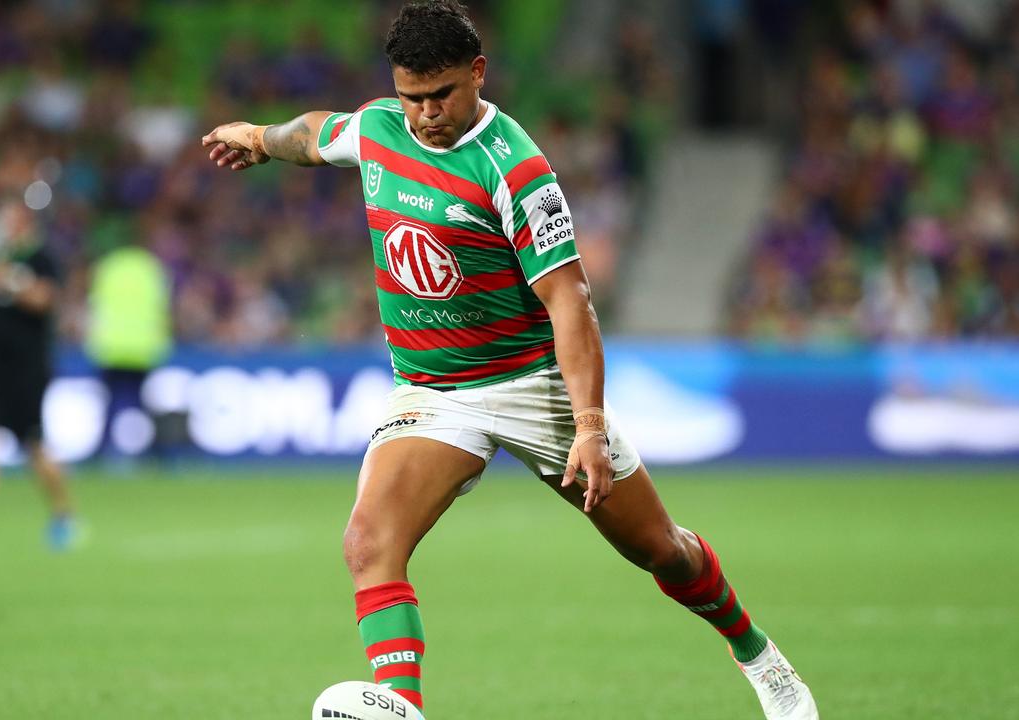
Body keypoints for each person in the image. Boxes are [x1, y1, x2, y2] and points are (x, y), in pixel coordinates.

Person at [200, 2, 818, 718]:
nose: (425, 114)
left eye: (441, 95)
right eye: (411, 97)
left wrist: (587, 425)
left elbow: (570, 304)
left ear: (477, 73)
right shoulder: (377, 128)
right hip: (434, 389)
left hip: (534, 386)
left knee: (660, 550)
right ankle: (402, 708)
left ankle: (758, 656)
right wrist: (256, 136)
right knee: (368, 542)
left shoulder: (516, 170)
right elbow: (314, 133)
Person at [0, 198, 79, 551]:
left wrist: (10, 282)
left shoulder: (40, 258)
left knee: (34, 445)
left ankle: (64, 514)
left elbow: (45, 300)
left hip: (27, 368)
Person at [85, 235, 171, 463]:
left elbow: (95, 303)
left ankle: (101, 450)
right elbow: (162, 304)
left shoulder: (108, 266)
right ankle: (154, 452)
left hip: (111, 347)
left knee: (109, 402)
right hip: (143, 348)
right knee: (143, 401)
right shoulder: (151, 268)